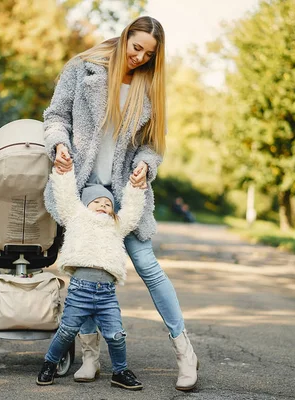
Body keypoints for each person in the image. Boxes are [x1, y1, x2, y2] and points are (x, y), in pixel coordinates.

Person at [42, 16, 199, 391]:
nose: (140, 57)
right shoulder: (82, 69)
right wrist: (59, 146)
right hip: (83, 186)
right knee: (88, 264)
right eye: (136, 48)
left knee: (147, 264)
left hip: (126, 191)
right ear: (125, 36)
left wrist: (145, 164)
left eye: (149, 54)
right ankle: (91, 356)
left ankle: (185, 352)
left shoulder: (148, 87)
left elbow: (152, 145)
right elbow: (55, 116)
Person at [36, 167, 146, 390]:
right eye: (97, 202)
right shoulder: (76, 216)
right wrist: (63, 172)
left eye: (108, 204)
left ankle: (120, 371)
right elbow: (66, 196)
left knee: (116, 335)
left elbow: (132, 213)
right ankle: (49, 363)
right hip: (80, 290)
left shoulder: (116, 224)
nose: (103, 206)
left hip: (106, 293)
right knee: (67, 331)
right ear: (85, 204)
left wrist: (135, 188)